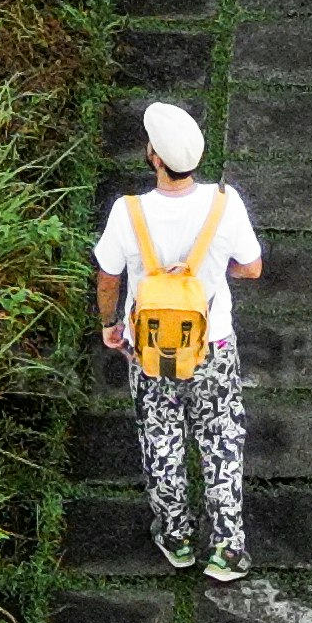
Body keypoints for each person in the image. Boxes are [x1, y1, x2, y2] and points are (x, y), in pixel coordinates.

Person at [92, 98, 263, 580]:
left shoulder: (128, 213)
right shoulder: (225, 206)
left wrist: (111, 324)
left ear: (155, 158)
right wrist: (209, 267)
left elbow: (108, 275)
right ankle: (227, 549)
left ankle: (177, 537)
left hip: (148, 350)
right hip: (213, 347)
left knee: (161, 440)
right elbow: (252, 267)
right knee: (222, 440)